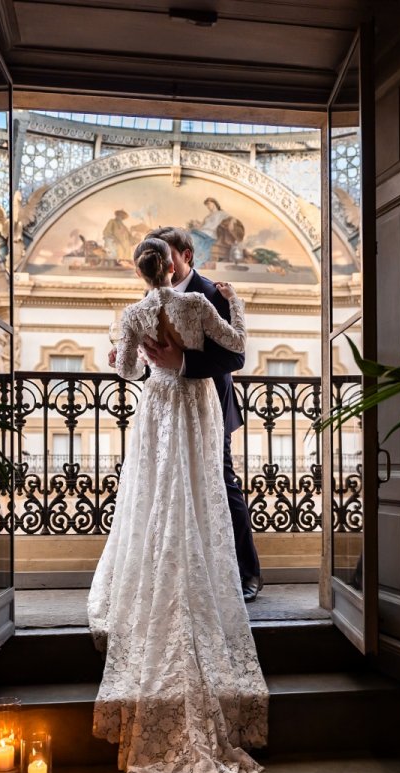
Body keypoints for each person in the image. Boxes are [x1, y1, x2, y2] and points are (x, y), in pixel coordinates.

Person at [88, 237, 268, 773]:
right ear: (175, 265)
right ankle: (206, 575)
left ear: (142, 271)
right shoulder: (197, 304)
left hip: (160, 408)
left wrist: (130, 353)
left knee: (159, 496)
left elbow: (123, 373)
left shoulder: (135, 311)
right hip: (196, 411)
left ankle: (168, 574)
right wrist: (236, 305)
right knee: (197, 491)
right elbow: (239, 342)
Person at [143, 226, 262, 603]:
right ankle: (191, 574)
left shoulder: (213, 293)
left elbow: (235, 357)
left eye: (169, 256)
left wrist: (184, 362)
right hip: (169, 409)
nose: (164, 263)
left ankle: (247, 574)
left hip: (210, 408)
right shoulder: (152, 295)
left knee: (222, 486)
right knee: (173, 487)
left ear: (187, 256)